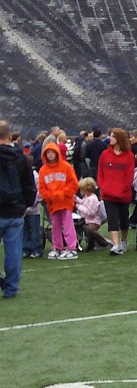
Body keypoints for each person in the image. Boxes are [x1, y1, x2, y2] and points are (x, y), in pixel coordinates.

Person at [0, 120, 36, 298]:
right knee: (14, 251)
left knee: (14, 250)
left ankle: (5, 282)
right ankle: (11, 286)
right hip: (15, 209)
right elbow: (29, 185)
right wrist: (26, 205)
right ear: (9, 135)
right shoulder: (21, 157)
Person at [96, 128, 136, 255]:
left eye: (113, 136)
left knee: (124, 219)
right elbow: (100, 173)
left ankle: (124, 240)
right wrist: (103, 187)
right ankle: (116, 244)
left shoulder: (129, 155)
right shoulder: (105, 154)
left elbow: (129, 176)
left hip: (123, 194)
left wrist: (122, 189)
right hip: (108, 194)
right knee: (112, 219)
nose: (110, 138)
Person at [38, 141, 80, 260]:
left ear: (57, 153)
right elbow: (42, 188)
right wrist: (49, 196)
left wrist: (62, 193)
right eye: (48, 153)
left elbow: (73, 183)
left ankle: (71, 247)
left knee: (67, 225)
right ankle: (57, 246)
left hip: (65, 201)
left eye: (52, 152)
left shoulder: (66, 166)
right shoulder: (43, 170)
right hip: (52, 203)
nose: (50, 155)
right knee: (55, 225)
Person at [75, 177, 112, 251]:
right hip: (87, 220)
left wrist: (78, 206)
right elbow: (83, 202)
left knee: (90, 230)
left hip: (93, 220)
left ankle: (105, 242)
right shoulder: (87, 197)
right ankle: (94, 244)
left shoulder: (93, 199)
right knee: (88, 231)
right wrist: (76, 199)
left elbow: (90, 212)